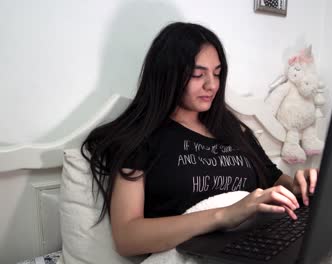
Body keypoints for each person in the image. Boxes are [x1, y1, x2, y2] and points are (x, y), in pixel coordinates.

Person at [81, 22, 317, 257]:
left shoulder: (233, 129)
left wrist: (297, 186)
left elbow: (274, 180)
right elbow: (128, 237)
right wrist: (225, 214)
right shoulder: (141, 138)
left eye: (217, 73)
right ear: (168, 74)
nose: (211, 85)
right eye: (197, 74)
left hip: (258, 246)